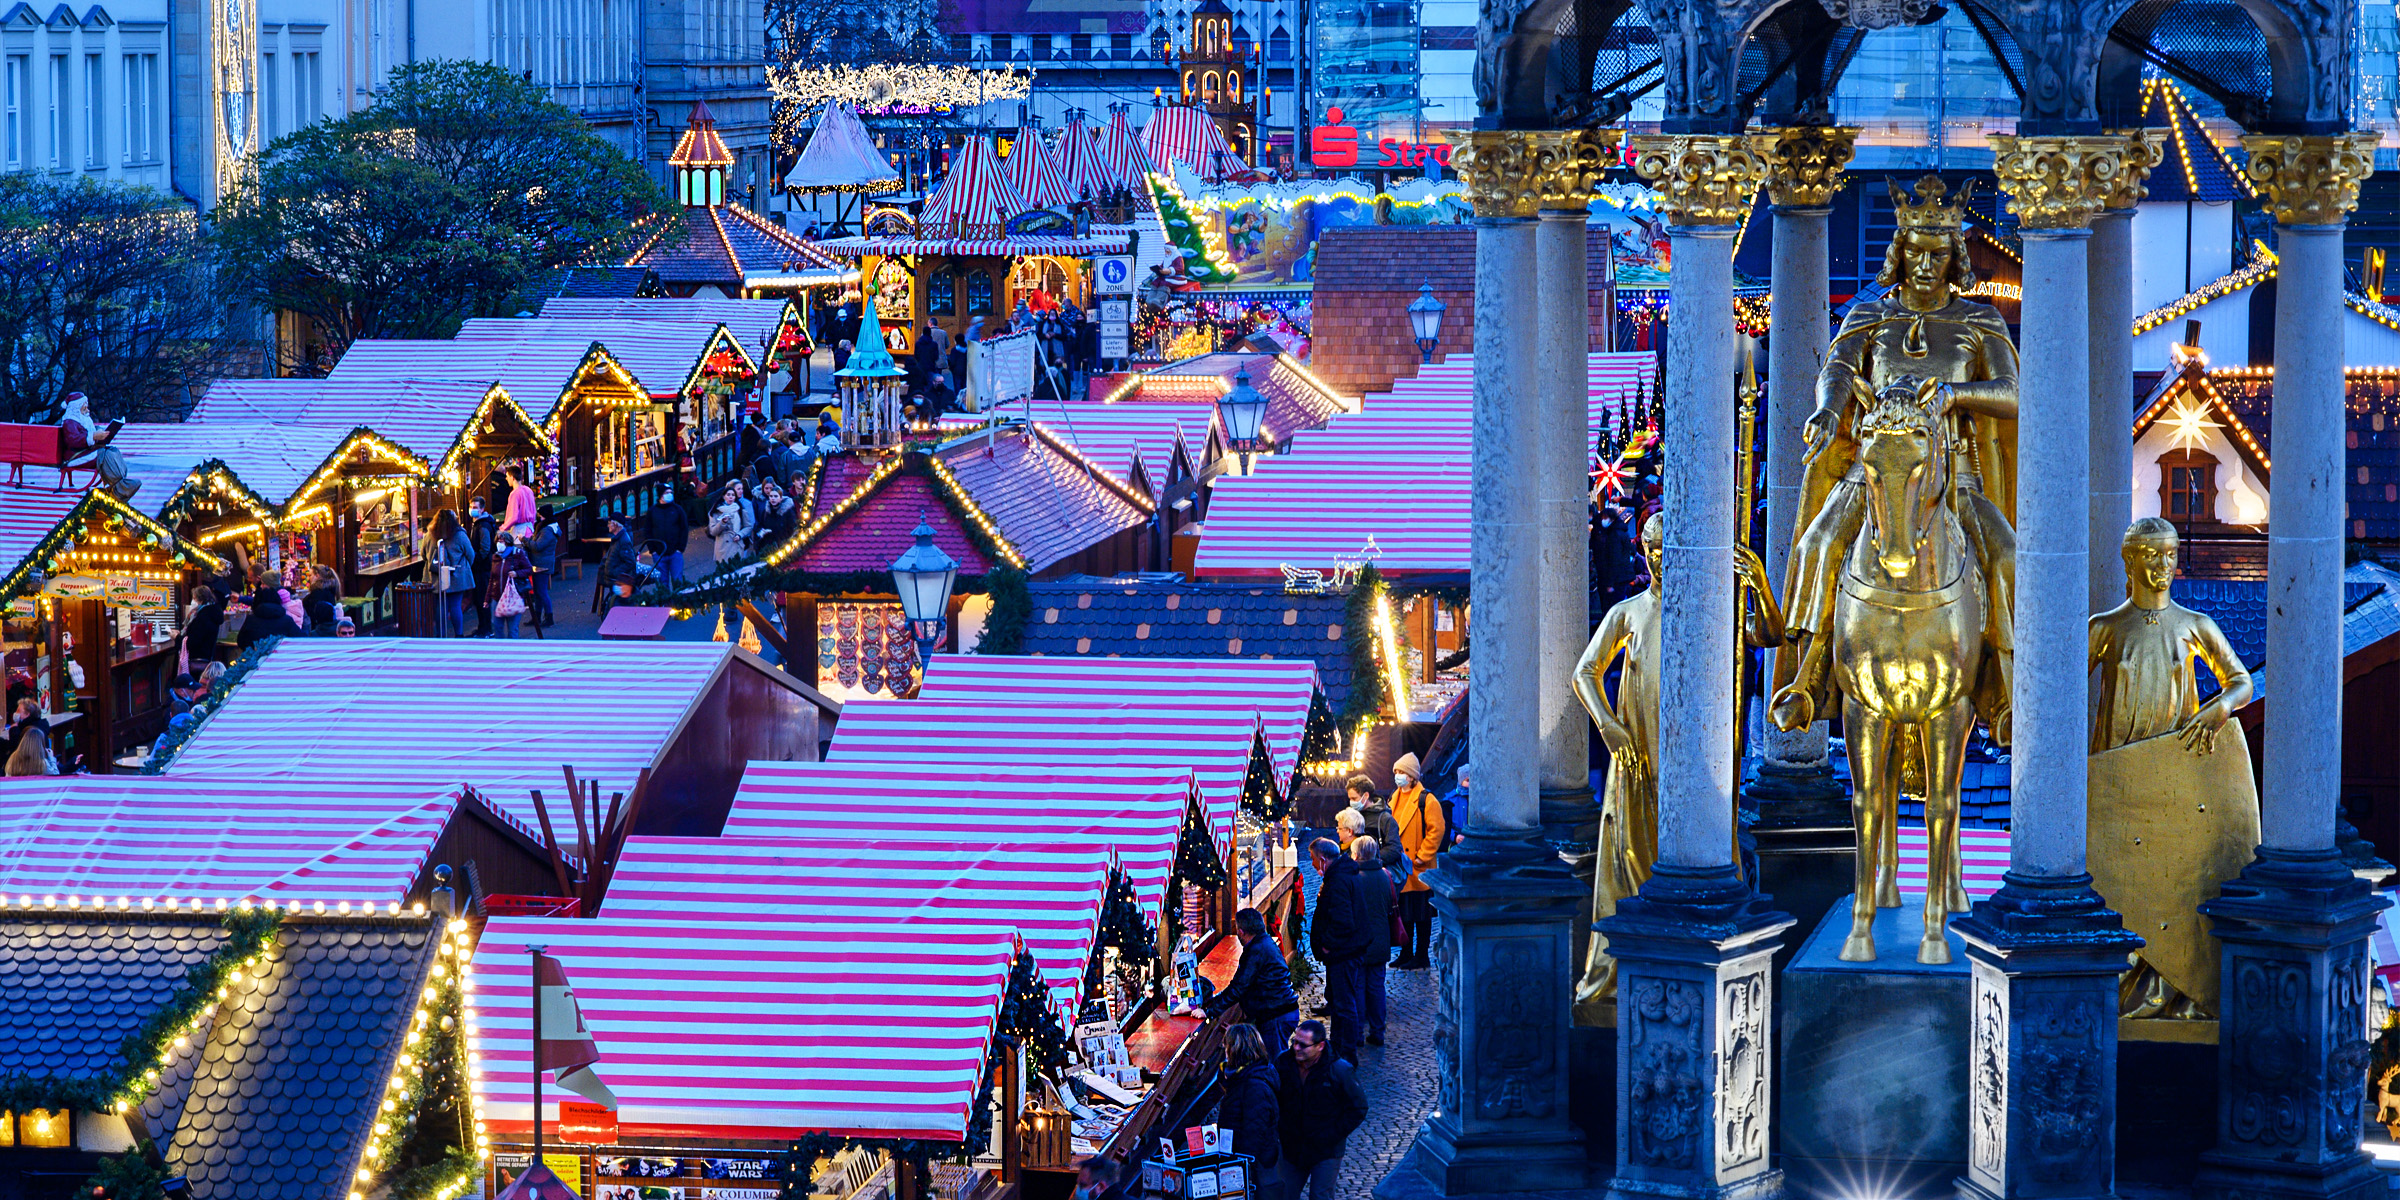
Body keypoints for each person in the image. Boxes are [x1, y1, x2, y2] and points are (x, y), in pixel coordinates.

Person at [1274, 1020, 1366, 1200]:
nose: (1296, 1048)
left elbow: (1358, 1108)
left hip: (1326, 1150)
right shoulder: (1283, 1063)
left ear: (1320, 1046)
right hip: (1293, 1147)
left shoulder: (1339, 1071)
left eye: (1303, 1045)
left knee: (1320, 1195)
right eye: (1294, 1041)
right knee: (1284, 1194)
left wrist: (1332, 1135)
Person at [1306, 838, 1372, 1063]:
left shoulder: (1339, 881)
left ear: (1323, 859)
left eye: (1314, 860)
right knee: (1340, 1002)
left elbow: (1343, 921)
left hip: (1343, 953)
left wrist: (1327, 944)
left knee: (1344, 1004)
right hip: (1345, 952)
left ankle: (1347, 1054)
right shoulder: (1343, 876)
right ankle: (1338, 1048)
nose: (1313, 865)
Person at [1203, 907, 1301, 1051]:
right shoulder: (1264, 942)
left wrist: (1209, 1011)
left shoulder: (1255, 951)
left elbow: (1238, 988)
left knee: (1274, 1065)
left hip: (1276, 1016)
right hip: (1280, 1012)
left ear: (1241, 931)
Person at [1388, 753, 1446, 969]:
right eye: (1396, 772)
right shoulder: (1395, 797)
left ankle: (1421, 955)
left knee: (1421, 914)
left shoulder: (1426, 799)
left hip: (1419, 867)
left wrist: (1423, 855)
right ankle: (1406, 952)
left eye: (1402, 772)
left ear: (1412, 776)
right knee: (1404, 913)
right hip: (1402, 866)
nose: (1398, 776)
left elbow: (1437, 829)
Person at [1213, 1024, 1281, 1190]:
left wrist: (1236, 1167)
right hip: (1240, 1159)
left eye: (1226, 1046)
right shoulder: (1243, 1076)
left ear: (1235, 1050)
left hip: (1250, 1166)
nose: (1224, 1050)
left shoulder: (1254, 1087)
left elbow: (1254, 1134)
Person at [1348, 836, 1396, 1047]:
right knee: (1377, 988)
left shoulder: (1353, 878)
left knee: (1357, 987)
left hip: (1358, 942)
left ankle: (1357, 1033)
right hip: (1380, 941)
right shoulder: (1386, 875)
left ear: (1356, 854)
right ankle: (1378, 1031)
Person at [429, 509, 478, 637]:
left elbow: (424, 554)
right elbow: (471, 555)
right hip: (457, 576)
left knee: (441, 605)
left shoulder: (430, 534)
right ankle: (459, 634)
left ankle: (441, 634)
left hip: (437, 576)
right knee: (456, 605)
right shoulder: (460, 535)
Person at [1343, 775, 1403, 871]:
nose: (1351, 802)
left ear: (1366, 796)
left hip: (1377, 872)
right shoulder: (1351, 816)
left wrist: (1370, 860)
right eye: (1350, 799)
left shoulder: (1385, 819)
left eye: (1354, 799)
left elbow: (1394, 849)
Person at [487, 530, 535, 639]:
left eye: (502, 541)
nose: (500, 543)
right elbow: (492, 578)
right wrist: (487, 598)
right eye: (498, 541)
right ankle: (500, 651)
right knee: (497, 626)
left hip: (513, 596)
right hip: (497, 596)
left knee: (512, 628)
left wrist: (517, 573)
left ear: (508, 542)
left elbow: (529, 569)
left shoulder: (517, 554)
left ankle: (513, 651)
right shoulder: (496, 557)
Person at [465, 497, 498, 636]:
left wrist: (475, 560)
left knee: (482, 598)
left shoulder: (483, 526)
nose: (472, 509)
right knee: (480, 598)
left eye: (475, 507)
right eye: (471, 506)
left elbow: (485, 549)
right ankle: (483, 627)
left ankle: (486, 629)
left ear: (482, 509)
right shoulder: (480, 523)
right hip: (482, 567)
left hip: (482, 568)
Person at [646, 486, 689, 586]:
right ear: (660, 495)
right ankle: (665, 602)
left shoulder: (678, 510)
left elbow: (684, 529)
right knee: (662, 582)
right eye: (667, 492)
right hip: (659, 554)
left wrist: (680, 549)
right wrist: (653, 550)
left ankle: (678, 601)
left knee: (678, 581)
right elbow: (648, 531)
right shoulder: (653, 511)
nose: (670, 494)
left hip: (675, 553)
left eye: (671, 492)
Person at [238, 583, 302, 648]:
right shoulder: (287, 620)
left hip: (257, 656)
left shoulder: (250, 620)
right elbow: (300, 639)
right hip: (282, 656)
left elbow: (241, 641)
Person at [525, 521, 560, 629]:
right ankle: (537, 617)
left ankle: (548, 618)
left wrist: (525, 540)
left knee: (541, 592)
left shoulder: (547, 531)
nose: (539, 518)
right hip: (540, 564)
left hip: (542, 565)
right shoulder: (550, 530)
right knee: (538, 592)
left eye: (541, 515)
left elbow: (537, 546)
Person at [183, 585, 225, 666]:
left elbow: (193, 640)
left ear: (201, 600)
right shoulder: (210, 613)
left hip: (197, 659)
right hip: (205, 658)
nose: (192, 601)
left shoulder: (203, 617)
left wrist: (178, 637)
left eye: (194, 598)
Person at [302, 565, 342, 635]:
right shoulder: (329, 590)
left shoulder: (317, 593)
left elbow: (313, 615)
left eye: (310, 575)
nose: (309, 578)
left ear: (317, 576)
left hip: (319, 631)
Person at [502, 465, 538, 539]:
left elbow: (513, 517)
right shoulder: (529, 490)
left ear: (512, 477)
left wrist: (502, 529)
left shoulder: (514, 494)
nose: (506, 479)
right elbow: (534, 511)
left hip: (519, 532)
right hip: (530, 528)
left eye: (507, 476)